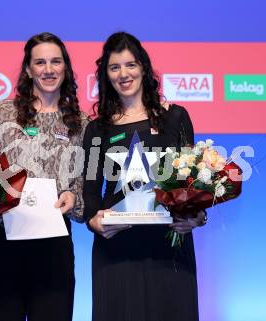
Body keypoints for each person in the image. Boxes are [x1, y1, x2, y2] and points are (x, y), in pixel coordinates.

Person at [82, 32, 206, 321]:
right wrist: (93, 221)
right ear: (106, 75)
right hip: (116, 249)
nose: (124, 74)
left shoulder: (175, 117)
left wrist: (197, 217)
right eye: (115, 67)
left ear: (144, 68)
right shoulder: (97, 129)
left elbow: (193, 184)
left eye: (131, 65)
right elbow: (89, 190)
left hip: (167, 245)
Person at [0, 32, 88, 321]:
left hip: (53, 246)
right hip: (2, 241)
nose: (48, 70)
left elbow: (81, 187)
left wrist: (73, 196)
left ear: (66, 67)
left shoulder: (82, 123)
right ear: (28, 69)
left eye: (55, 61)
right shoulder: (1, 113)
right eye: (40, 62)